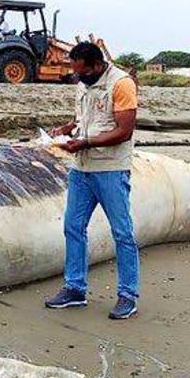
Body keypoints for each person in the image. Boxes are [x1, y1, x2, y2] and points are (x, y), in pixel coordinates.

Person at [44, 42, 141, 320]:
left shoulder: (121, 84)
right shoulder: (83, 84)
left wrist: (85, 142)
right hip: (81, 168)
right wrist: (67, 129)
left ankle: (128, 294)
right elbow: (84, 119)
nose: (78, 77)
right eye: (75, 72)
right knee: (73, 227)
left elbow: (124, 131)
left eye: (82, 72)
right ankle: (74, 288)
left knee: (122, 232)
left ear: (97, 65)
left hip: (110, 168)